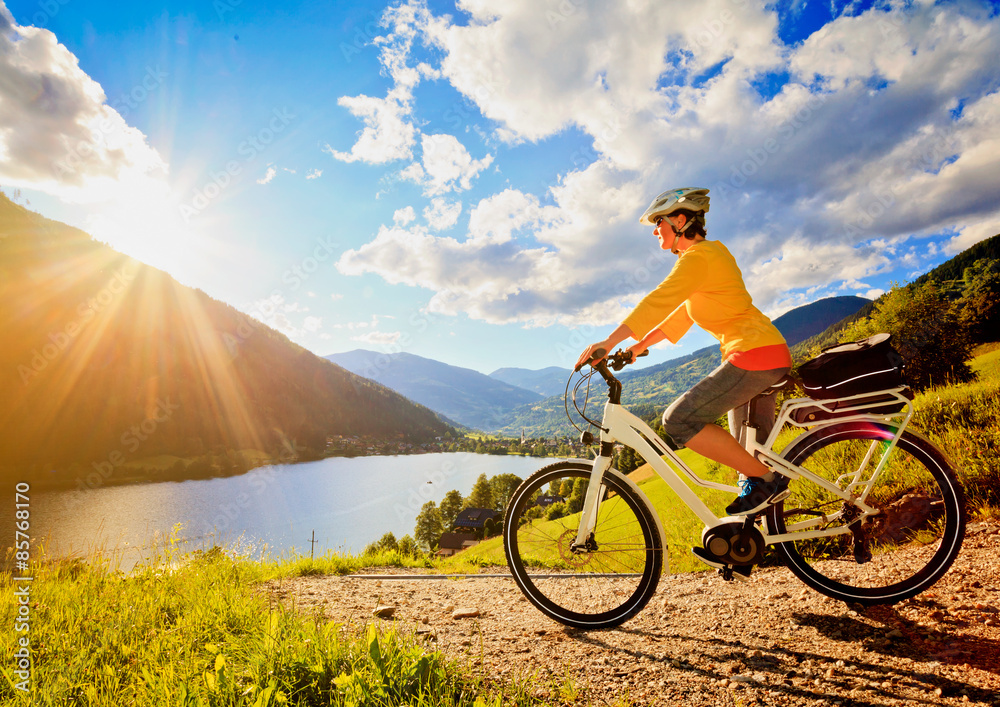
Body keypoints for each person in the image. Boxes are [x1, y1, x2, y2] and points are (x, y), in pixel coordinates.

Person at [576, 187, 793, 547]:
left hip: (754, 354)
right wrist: (636, 348)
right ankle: (749, 540)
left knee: (678, 421)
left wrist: (608, 342)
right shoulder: (708, 259)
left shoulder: (698, 258)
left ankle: (770, 483)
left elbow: (658, 301)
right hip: (760, 353)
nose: (653, 230)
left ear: (679, 221)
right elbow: (679, 315)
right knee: (745, 461)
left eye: (657, 222)